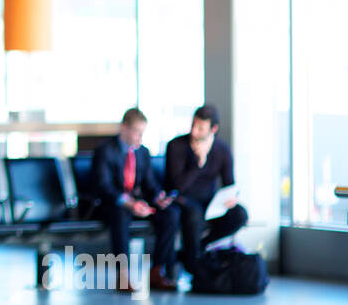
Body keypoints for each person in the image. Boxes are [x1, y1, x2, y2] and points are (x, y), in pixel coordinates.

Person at [90, 107, 179, 291]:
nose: (140, 137)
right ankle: (122, 276)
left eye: (142, 133)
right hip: (111, 204)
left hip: (137, 203)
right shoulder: (105, 151)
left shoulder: (142, 152)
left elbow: (149, 183)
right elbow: (103, 187)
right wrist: (130, 203)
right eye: (137, 132)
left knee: (170, 215)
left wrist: (158, 197)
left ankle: (157, 271)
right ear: (124, 128)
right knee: (121, 214)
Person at [164, 104, 248, 276]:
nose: (194, 132)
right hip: (183, 200)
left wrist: (232, 197)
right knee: (194, 214)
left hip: (209, 202)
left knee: (239, 214)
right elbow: (176, 186)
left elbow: (229, 183)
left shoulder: (222, 150)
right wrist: (198, 164)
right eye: (193, 125)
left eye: (201, 128)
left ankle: (199, 248)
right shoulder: (176, 146)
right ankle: (193, 261)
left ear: (213, 129)